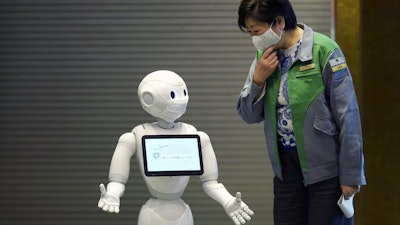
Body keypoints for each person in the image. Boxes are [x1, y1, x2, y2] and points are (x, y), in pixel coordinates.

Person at [235, 0, 366, 225]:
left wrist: (351, 175)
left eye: (256, 31)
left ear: (279, 21)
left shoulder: (324, 50)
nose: (254, 39)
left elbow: (349, 117)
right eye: (249, 33)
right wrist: (258, 79)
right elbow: (248, 115)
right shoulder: (263, 58)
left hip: (326, 171)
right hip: (286, 171)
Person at [98, 70, 254, 225]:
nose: (181, 100)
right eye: (173, 95)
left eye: (183, 93)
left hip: (182, 213)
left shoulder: (196, 135)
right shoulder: (134, 137)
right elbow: (117, 181)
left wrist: (227, 201)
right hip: (152, 214)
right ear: (148, 98)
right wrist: (112, 194)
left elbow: (211, 182)